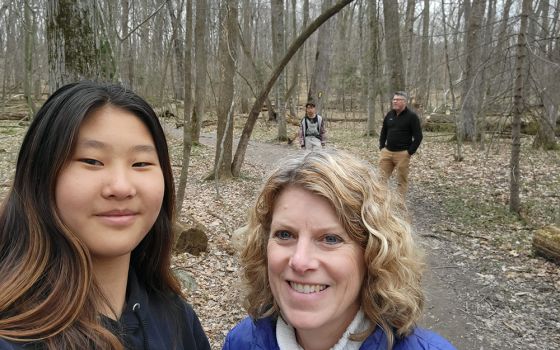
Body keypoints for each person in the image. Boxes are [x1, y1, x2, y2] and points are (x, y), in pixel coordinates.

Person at [0, 81, 210, 350]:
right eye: (92, 161)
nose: (121, 187)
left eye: (141, 163)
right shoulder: (12, 336)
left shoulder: (177, 319)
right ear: (39, 175)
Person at [223, 150, 455, 350]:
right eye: (285, 235)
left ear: (373, 254)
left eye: (330, 239)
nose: (300, 261)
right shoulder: (241, 342)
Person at [378, 91, 423, 198]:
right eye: (394, 99)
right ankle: (380, 200)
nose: (395, 101)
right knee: (380, 178)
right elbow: (383, 131)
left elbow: (418, 136)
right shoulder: (389, 114)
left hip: (402, 154)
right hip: (387, 153)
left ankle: (399, 204)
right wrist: (382, 147)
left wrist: (409, 152)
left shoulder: (412, 117)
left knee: (401, 180)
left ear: (404, 102)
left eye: (397, 100)